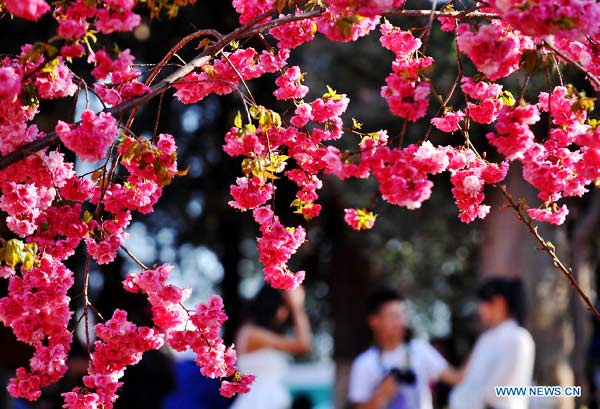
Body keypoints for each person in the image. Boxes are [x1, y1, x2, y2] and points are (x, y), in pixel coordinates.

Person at [348, 288, 461, 409]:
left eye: (402, 316)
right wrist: (381, 395)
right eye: (393, 316)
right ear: (374, 321)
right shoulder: (364, 363)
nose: (400, 322)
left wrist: (482, 344)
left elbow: (457, 379)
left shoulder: (419, 350)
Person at [449, 277, 535, 409]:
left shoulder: (518, 338)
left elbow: (494, 391)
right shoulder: (486, 339)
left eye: (483, 302)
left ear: (499, 302)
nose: (479, 308)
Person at [231, 285, 312, 409]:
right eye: (283, 306)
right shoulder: (254, 334)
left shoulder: (251, 332)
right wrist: (297, 306)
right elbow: (303, 344)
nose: (284, 313)